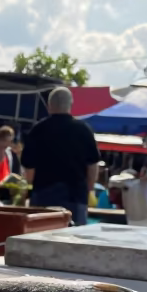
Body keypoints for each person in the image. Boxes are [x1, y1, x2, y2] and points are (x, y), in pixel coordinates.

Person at [22, 87, 101, 226]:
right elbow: (93, 165)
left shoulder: (37, 130)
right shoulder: (84, 130)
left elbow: (29, 171)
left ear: (49, 106)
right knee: (74, 242)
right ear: (71, 105)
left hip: (43, 195)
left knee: (41, 240)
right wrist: (89, 189)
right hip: (75, 196)